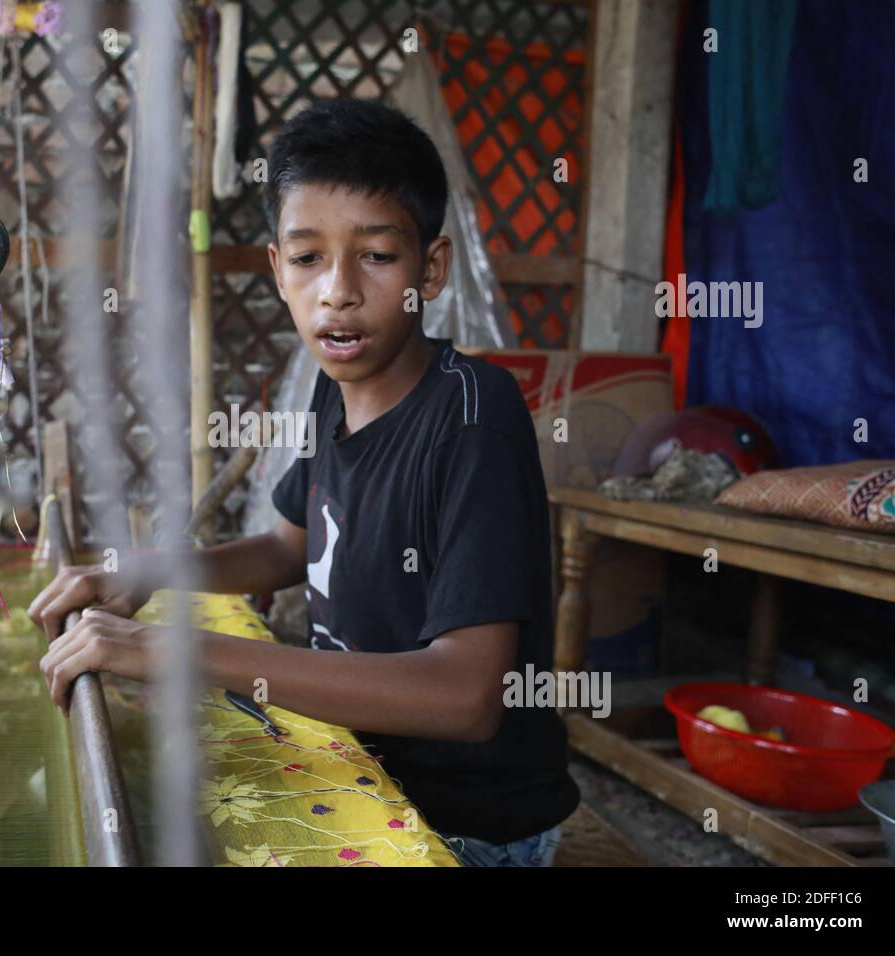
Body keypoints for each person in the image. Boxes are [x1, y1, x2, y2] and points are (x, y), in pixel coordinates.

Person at [30, 97, 579, 867]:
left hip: (464, 825)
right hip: (359, 769)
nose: (339, 290)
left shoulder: (473, 418)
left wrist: (176, 649)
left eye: (378, 256)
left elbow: (466, 697)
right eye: (308, 257)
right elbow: (288, 546)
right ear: (277, 270)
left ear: (434, 268)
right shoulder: (335, 391)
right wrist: (147, 572)